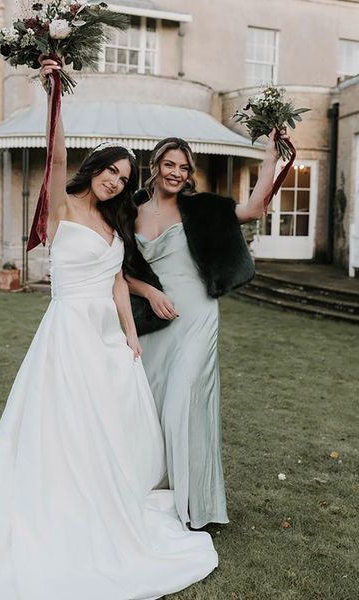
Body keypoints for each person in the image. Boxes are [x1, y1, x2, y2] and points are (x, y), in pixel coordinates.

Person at [0, 60, 218, 600]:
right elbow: (54, 155)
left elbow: (117, 282)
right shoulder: (61, 208)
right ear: (94, 166)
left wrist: (128, 335)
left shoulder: (114, 221)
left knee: (111, 423)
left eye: (124, 178)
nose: (115, 180)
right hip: (68, 332)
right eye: (110, 171)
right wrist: (54, 89)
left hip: (106, 336)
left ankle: (105, 496)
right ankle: (58, 504)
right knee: (63, 425)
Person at [126, 134, 285, 529]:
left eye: (184, 168)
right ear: (156, 165)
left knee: (185, 402)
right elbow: (118, 270)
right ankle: (155, 495)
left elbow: (253, 208)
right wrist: (148, 291)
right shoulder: (130, 210)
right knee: (154, 405)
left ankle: (198, 505)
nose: (177, 173)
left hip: (197, 316)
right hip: (154, 318)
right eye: (170, 165)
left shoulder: (202, 208)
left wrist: (270, 158)